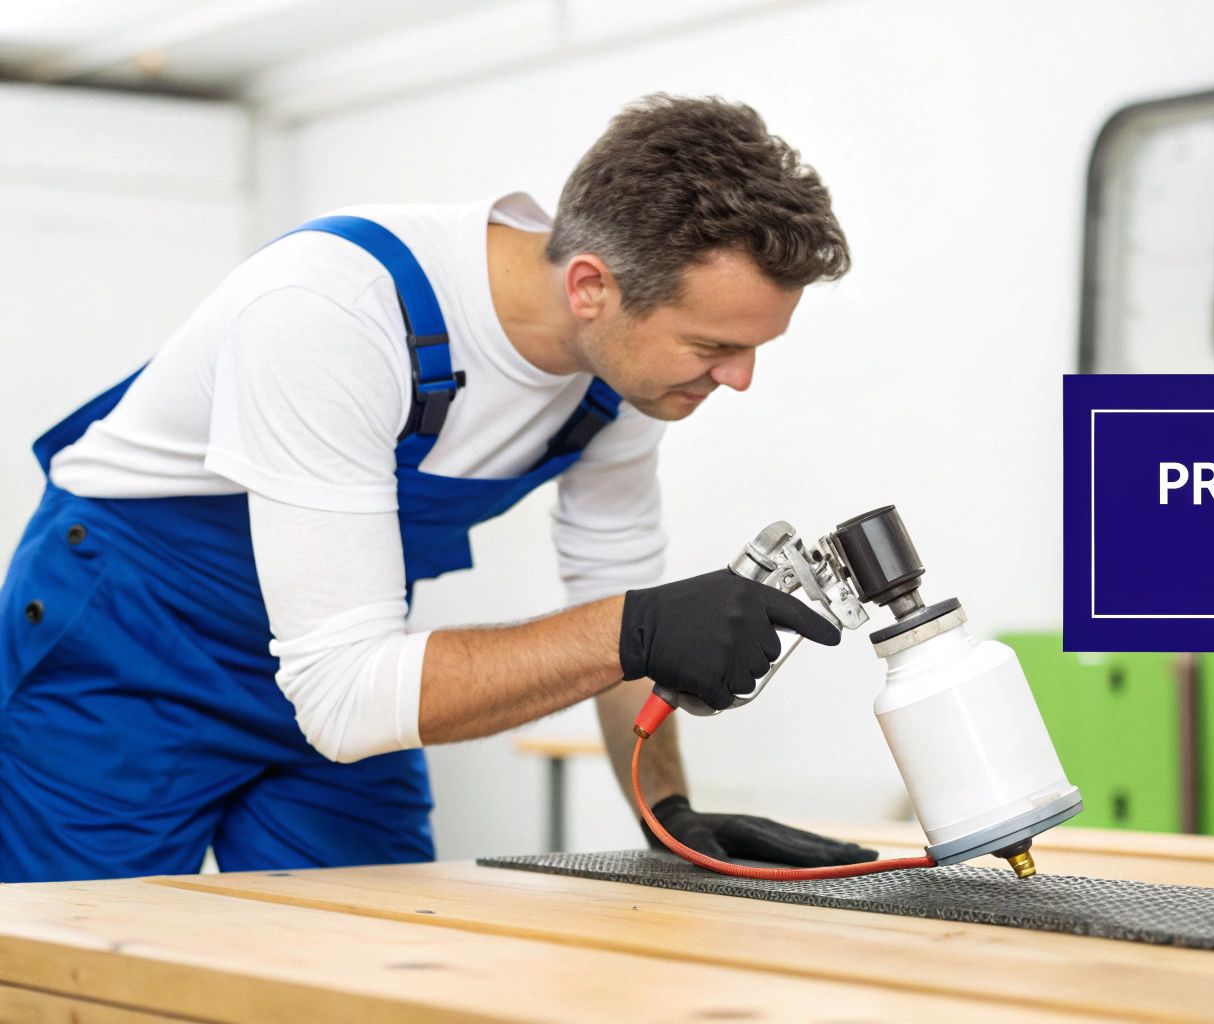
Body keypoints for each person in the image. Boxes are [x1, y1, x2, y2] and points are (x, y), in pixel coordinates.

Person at [0, 94, 878, 882]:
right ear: (590, 287)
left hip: (337, 649)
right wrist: (637, 628)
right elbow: (358, 694)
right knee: (84, 958)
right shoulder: (332, 311)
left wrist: (665, 812)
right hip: (129, 645)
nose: (739, 379)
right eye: (712, 346)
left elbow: (613, 605)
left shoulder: (630, 378)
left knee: (369, 963)